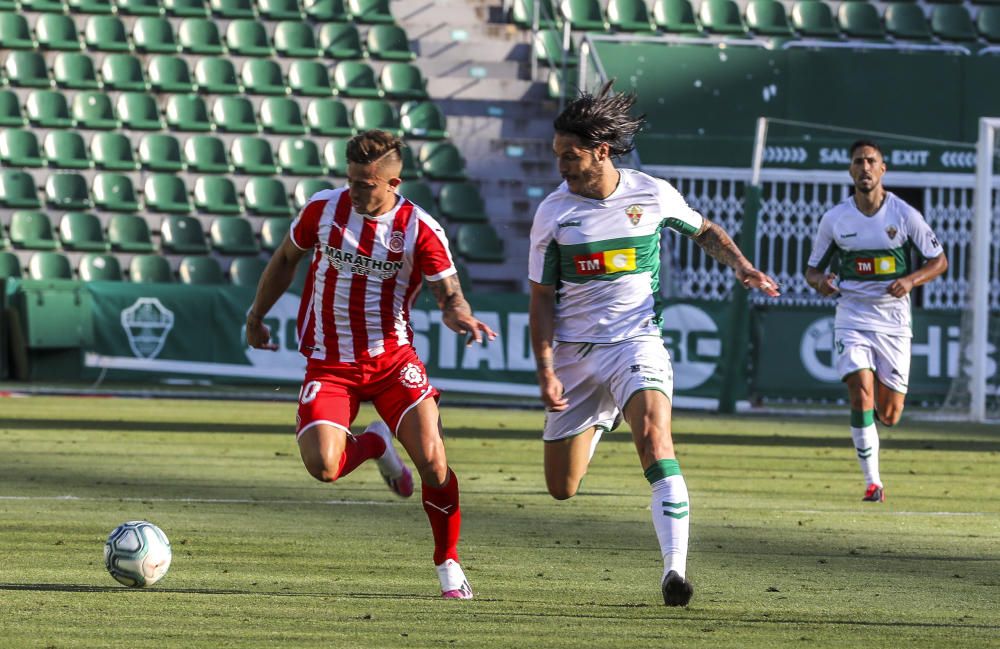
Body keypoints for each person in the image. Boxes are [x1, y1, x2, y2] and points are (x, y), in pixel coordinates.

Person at [527, 82, 780, 607]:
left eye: (569, 157)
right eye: (557, 157)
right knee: (562, 487)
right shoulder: (553, 215)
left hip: (636, 343)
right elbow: (541, 300)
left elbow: (704, 230)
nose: (562, 167)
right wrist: (547, 367)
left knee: (655, 441)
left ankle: (675, 572)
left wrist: (743, 266)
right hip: (575, 354)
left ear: (600, 151)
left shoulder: (651, 193)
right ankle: (600, 415)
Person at [246, 129, 497, 599]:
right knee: (324, 466)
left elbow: (449, 291)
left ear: (393, 181)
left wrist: (458, 311)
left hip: (391, 363)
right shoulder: (323, 209)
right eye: (352, 180)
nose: (356, 191)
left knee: (434, 462)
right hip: (329, 363)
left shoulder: (420, 228)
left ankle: (448, 562)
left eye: (366, 184)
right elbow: (284, 259)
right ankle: (377, 444)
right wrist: (256, 315)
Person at [806, 140, 948, 503]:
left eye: (871, 161)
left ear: (882, 169)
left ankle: (878, 432)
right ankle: (873, 482)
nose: (865, 167)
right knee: (860, 393)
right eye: (858, 162)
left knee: (889, 413)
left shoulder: (904, 215)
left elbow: (939, 261)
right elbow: (812, 270)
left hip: (894, 323)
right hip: (852, 315)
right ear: (850, 170)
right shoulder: (836, 219)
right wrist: (821, 282)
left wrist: (911, 279)